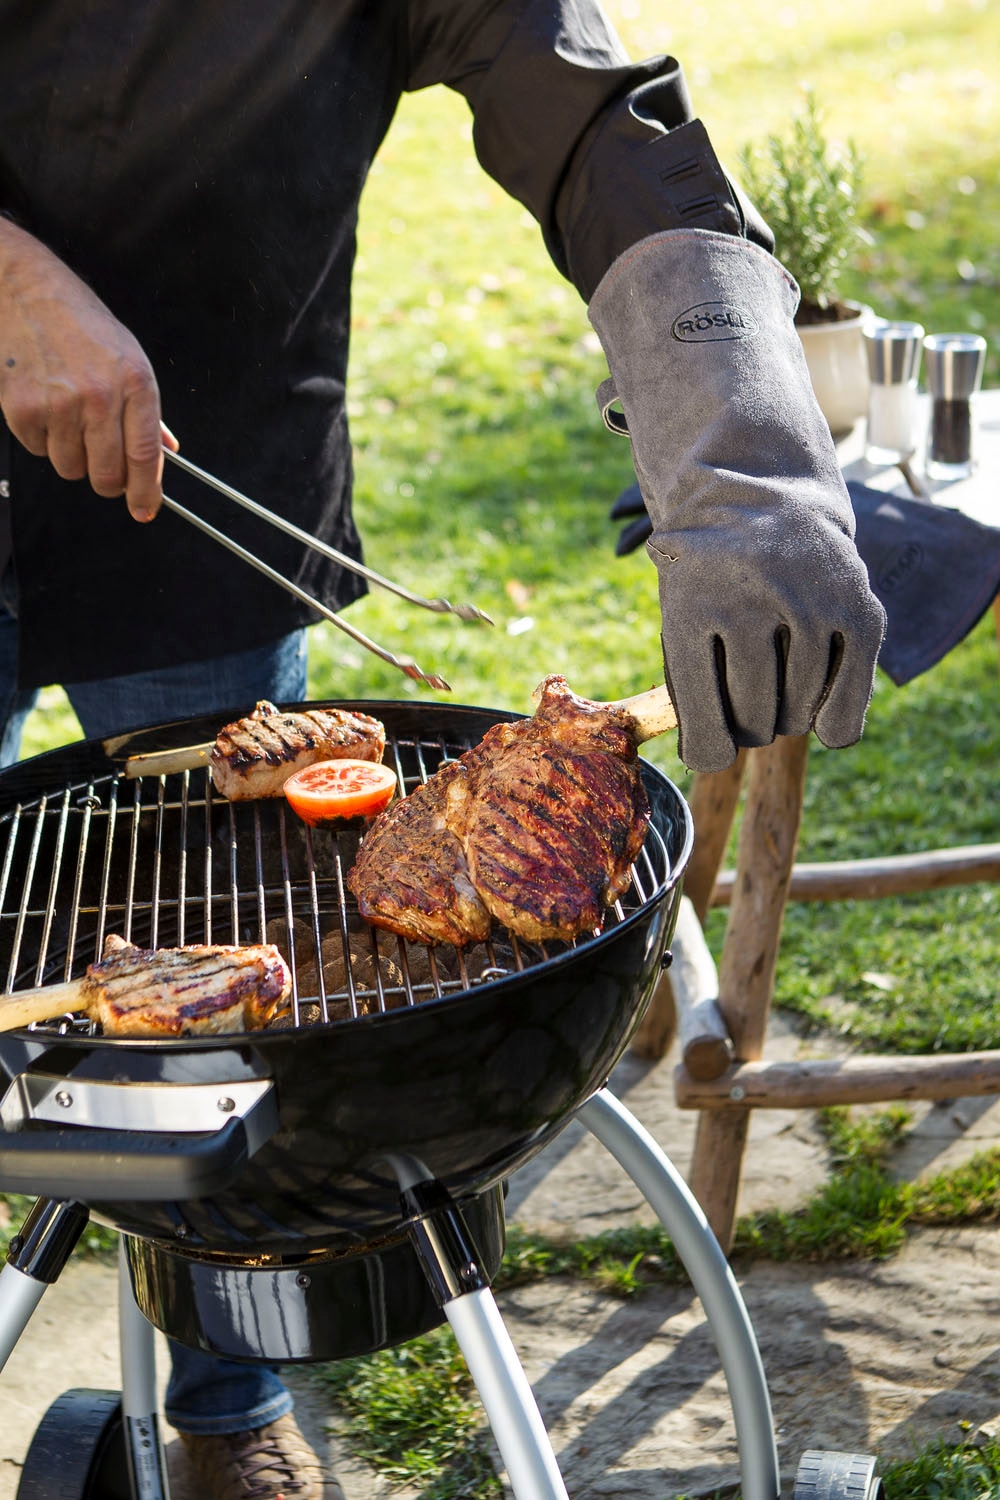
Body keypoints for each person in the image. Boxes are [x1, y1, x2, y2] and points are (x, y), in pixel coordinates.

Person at [0, 2, 886, 1495]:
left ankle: (224, 1410)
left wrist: (741, 439)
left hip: (209, 450)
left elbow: (595, 116)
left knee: (253, 936)